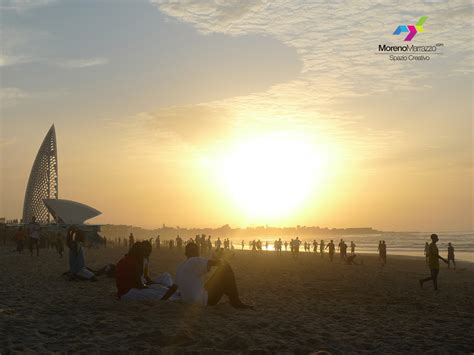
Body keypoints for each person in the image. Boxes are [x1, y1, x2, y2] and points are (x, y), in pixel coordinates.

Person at [161, 243, 252, 309]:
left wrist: (161, 301)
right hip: (202, 301)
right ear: (197, 252)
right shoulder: (195, 260)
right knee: (226, 266)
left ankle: (230, 294)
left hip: (187, 301)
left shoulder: (180, 266)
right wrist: (225, 257)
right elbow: (219, 263)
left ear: (186, 254)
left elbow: (173, 288)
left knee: (217, 277)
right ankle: (235, 301)